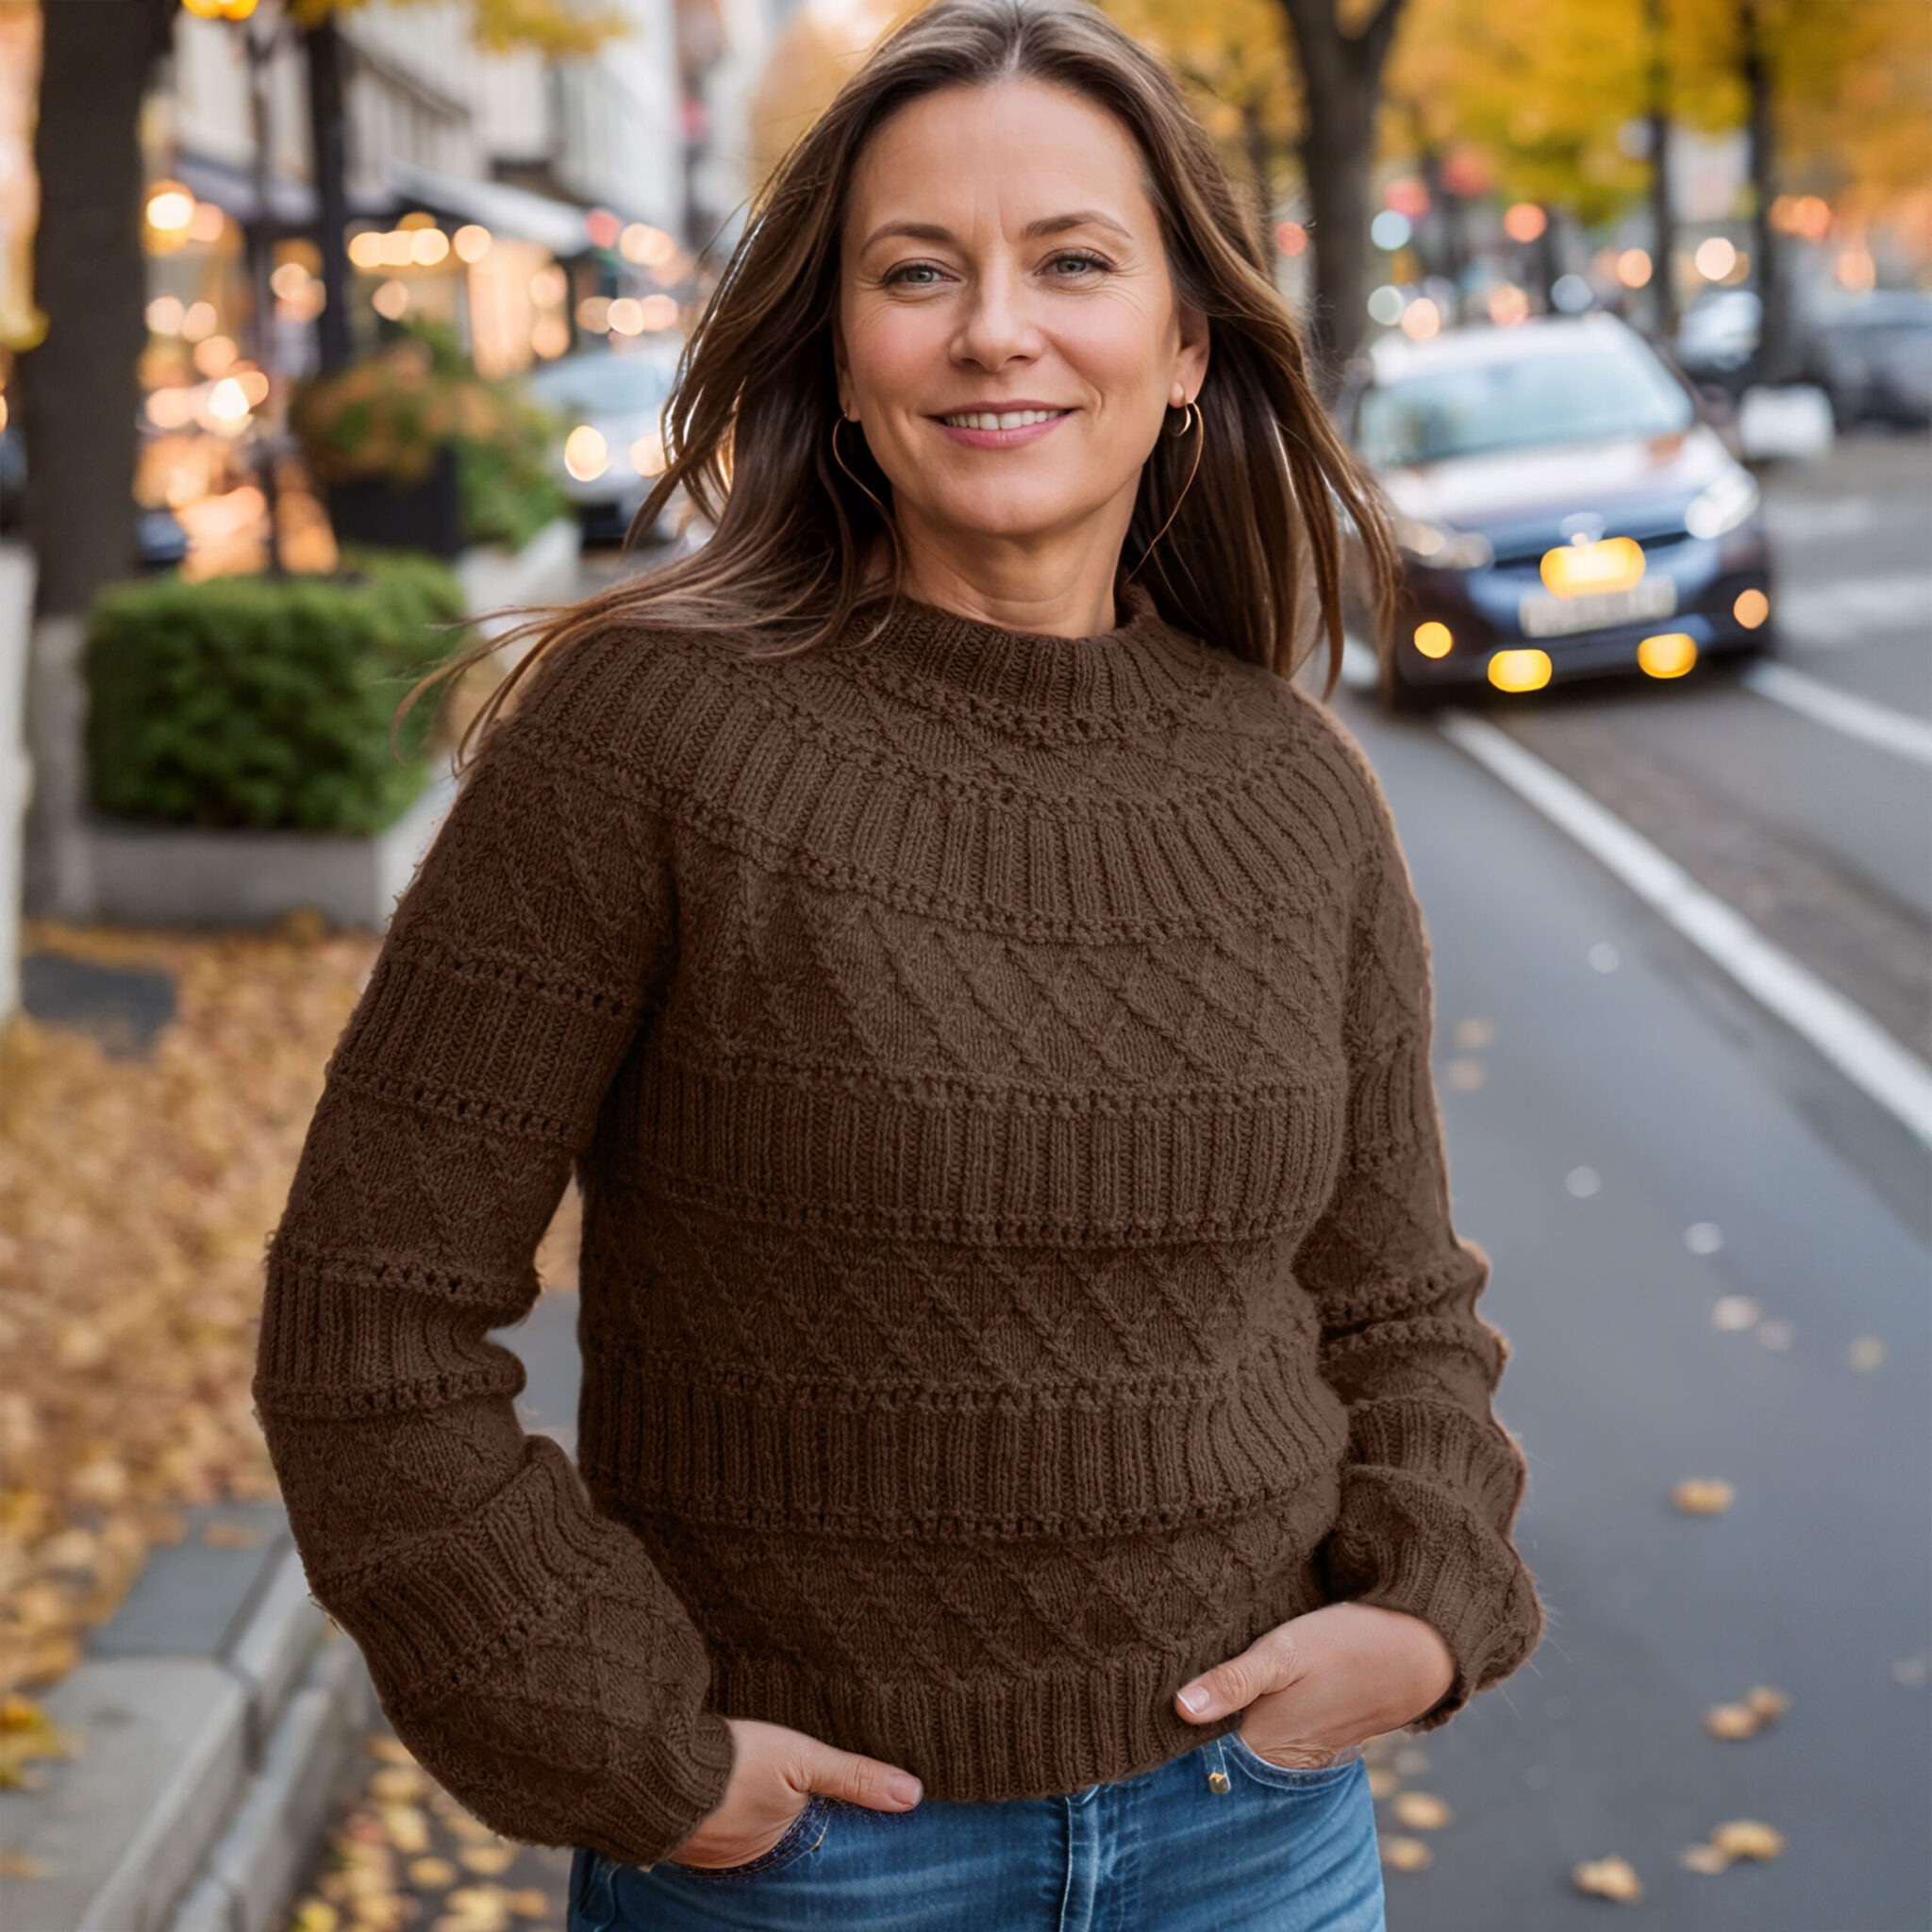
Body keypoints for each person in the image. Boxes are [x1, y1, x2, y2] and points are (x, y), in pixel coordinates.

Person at [251, 2, 1546, 1925]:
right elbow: (369, 1322)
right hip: (810, 1866)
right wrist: (635, 1752)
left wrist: (1429, 1607)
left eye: (1074, 264)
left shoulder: (1293, 787)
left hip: (1251, 1833)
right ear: (839, 358)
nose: (994, 330)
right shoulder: (646, 740)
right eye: (916, 272)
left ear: (1186, 343)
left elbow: (1392, 1308)